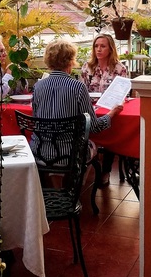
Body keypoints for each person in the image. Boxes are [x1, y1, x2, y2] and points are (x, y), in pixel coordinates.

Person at [32, 39, 123, 176]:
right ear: (70, 61)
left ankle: (55, 184)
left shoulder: (38, 87)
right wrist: (111, 114)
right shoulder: (78, 87)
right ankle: (75, 190)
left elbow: (37, 119)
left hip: (39, 152)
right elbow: (94, 127)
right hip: (69, 154)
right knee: (91, 146)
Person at [80, 34, 129, 186]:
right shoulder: (87, 67)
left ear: (110, 49)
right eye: (96, 46)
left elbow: (124, 93)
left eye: (103, 46)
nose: (99, 49)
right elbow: (82, 91)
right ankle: (84, 167)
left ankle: (106, 170)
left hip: (110, 108)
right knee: (84, 127)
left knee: (112, 132)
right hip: (91, 108)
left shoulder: (120, 69)